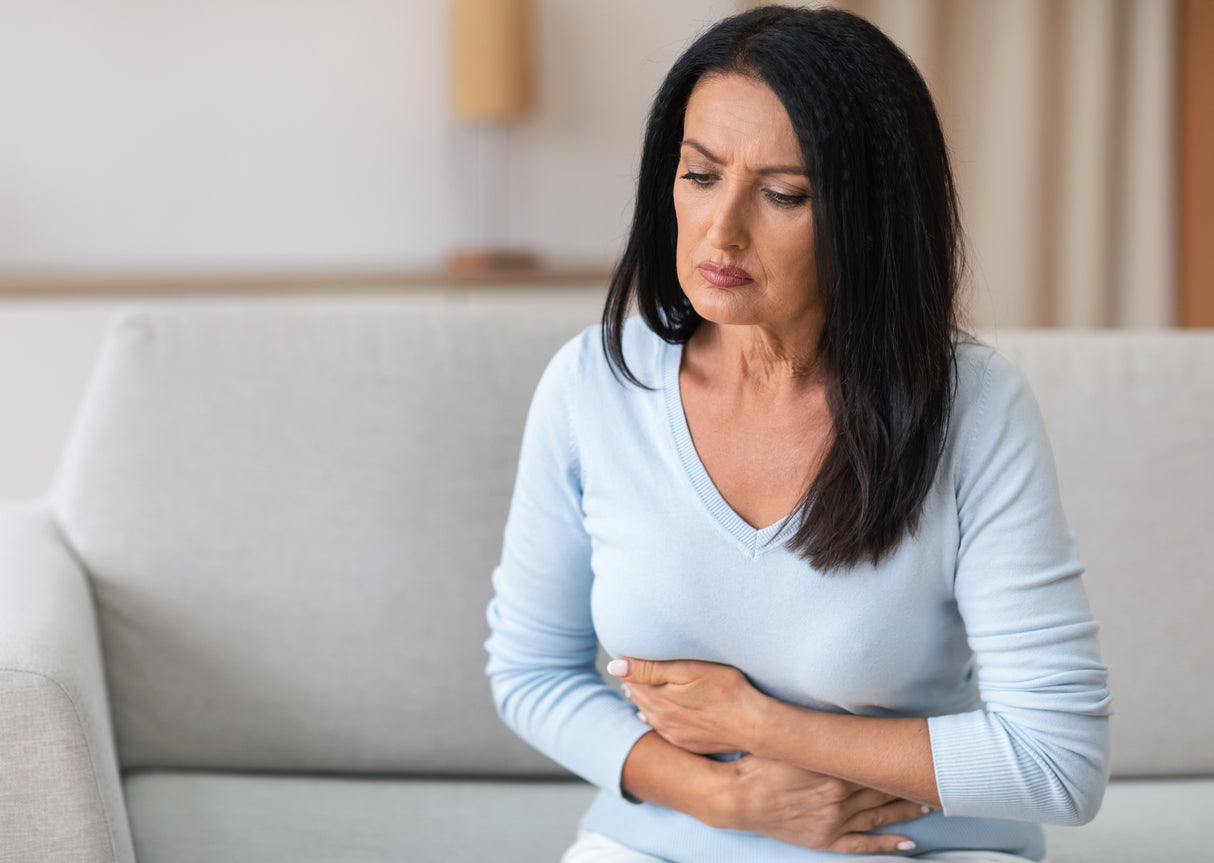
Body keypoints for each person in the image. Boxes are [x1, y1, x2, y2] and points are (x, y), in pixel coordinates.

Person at [485, 6, 1111, 862]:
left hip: (921, 850)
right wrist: (724, 797)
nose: (722, 227)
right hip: (662, 846)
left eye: (785, 193)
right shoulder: (594, 384)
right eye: (700, 175)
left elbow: (1057, 760)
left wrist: (760, 725)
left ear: (869, 216)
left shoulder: (973, 408)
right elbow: (530, 673)